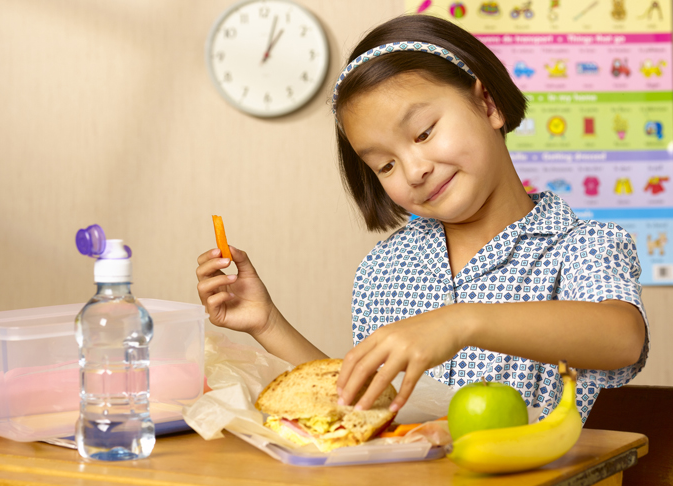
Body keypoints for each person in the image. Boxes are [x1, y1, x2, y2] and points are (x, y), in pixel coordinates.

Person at [196, 15, 648, 423]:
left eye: (424, 133)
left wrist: (459, 323)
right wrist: (267, 322)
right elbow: (359, 403)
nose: (414, 170)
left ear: (487, 104)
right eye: (385, 166)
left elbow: (621, 337)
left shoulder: (583, 244)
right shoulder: (383, 269)